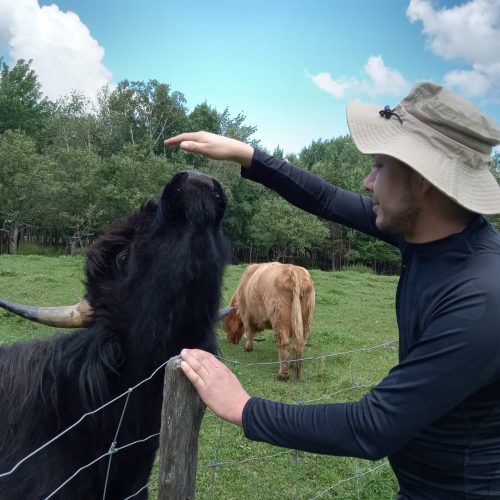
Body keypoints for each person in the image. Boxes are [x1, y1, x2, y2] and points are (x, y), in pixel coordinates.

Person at [165, 81, 500, 499]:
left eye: (379, 166)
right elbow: (325, 199)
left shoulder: (481, 300)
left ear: (424, 181)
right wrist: (246, 154)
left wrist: (243, 407)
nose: (366, 181)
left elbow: (372, 427)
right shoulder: (429, 236)